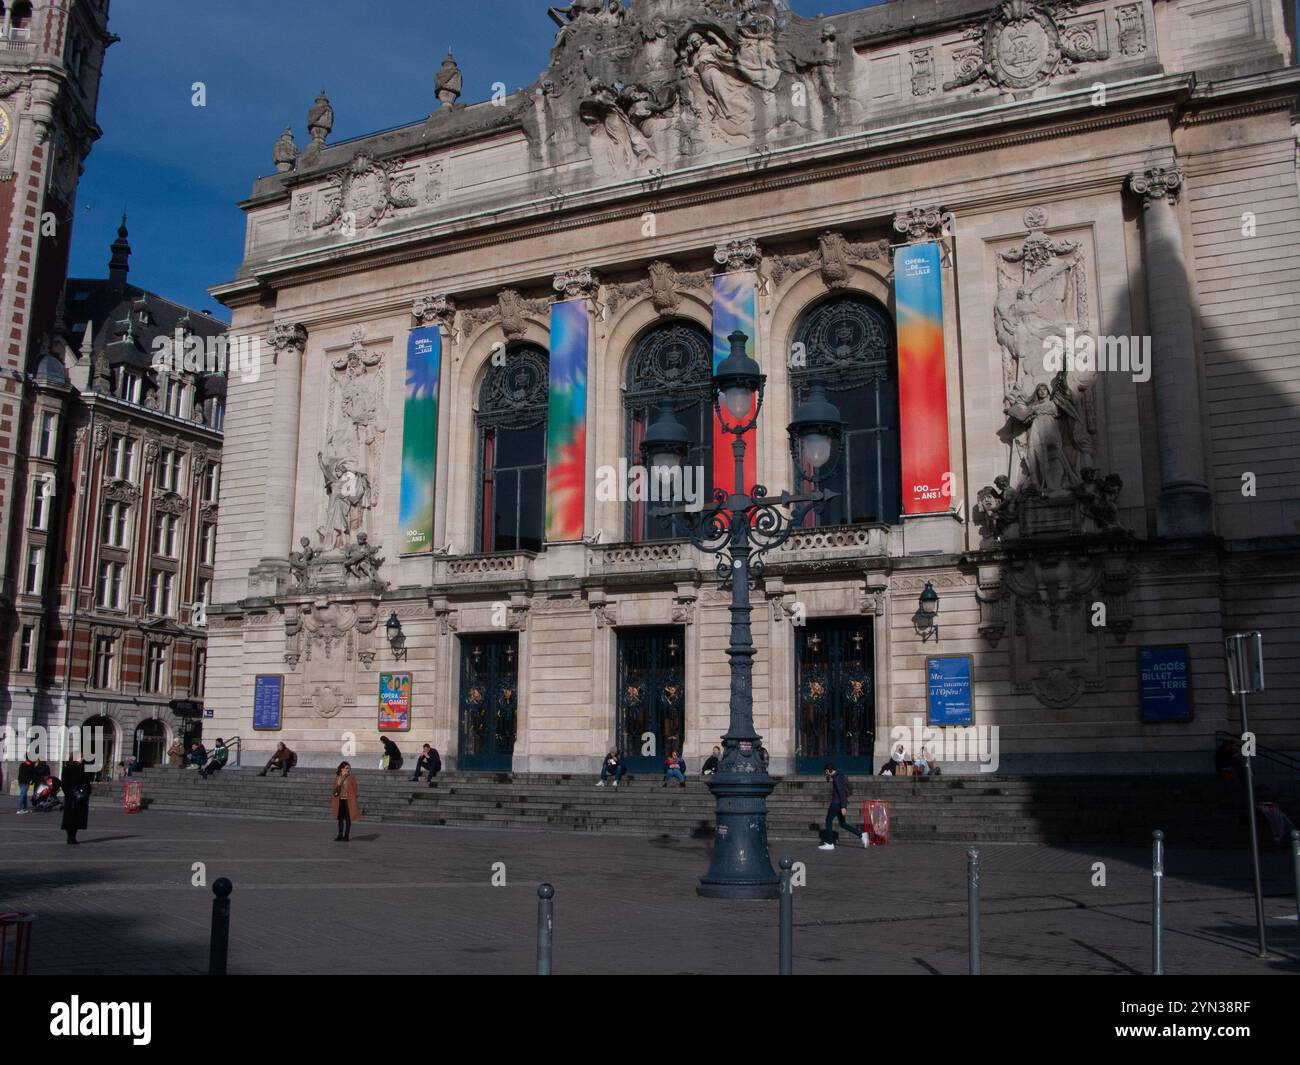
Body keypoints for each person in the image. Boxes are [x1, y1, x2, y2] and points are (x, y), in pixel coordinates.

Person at [818, 762, 869, 850]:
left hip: (836, 803)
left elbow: (841, 792)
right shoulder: (839, 775)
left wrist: (843, 807)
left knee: (828, 821)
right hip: (839, 803)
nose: (825, 773)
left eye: (826, 771)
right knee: (843, 823)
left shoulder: (837, 778)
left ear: (828, 770)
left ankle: (830, 843)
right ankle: (861, 834)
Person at [60, 757, 92, 845]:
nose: (82, 759)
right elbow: (64, 783)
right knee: (70, 818)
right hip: (71, 797)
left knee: (77, 818)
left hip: (80, 797)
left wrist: (87, 793)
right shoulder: (68, 768)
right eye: (81, 757)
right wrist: (69, 793)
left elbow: (87, 782)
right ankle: (70, 836)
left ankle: (73, 836)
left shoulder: (83, 768)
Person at [331, 761, 359, 842]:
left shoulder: (351, 778)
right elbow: (334, 790)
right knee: (340, 819)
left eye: (349, 768)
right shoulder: (337, 778)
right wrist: (340, 782)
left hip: (348, 800)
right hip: (339, 801)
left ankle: (346, 836)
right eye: (347, 768)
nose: (348, 770)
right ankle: (340, 835)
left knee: (347, 818)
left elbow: (355, 789)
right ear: (342, 769)